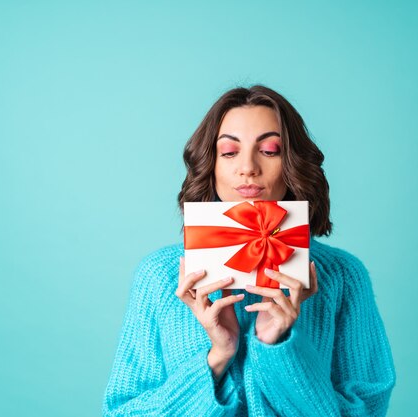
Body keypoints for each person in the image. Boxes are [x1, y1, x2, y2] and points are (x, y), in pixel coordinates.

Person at [102, 85, 396, 416]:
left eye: (269, 150)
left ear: (292, 163)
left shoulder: (342, 275)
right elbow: (123, 411)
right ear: (210, 165)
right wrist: (219, 355)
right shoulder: (160, 275)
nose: (248, 168)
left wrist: (277, 346)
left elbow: (367, 409)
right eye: (229, 152)